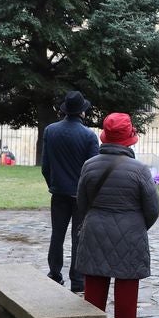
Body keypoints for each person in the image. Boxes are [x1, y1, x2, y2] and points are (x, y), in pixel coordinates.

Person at [76, 113, 159, 318]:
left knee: (93, 293)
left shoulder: (89, 165)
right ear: (129, 139)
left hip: (95, 230)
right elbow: (153, 207)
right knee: (126, 294)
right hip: (130, 233)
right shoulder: (139, 170)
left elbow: (82, 202)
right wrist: (136, 226)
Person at [42, 90, 100, 293]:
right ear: (82, 112)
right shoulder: (89, 136)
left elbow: (45, 166)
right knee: (79, 237)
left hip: (58, 192)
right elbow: (92, 170)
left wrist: (54, 184)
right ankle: (77, 279)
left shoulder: (50, 130)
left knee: (57, 235)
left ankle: (54, 274)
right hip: (80, 195)